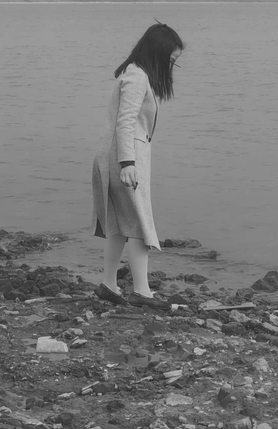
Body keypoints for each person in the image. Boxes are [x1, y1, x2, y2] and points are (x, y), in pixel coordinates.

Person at [91, 23, 184, 310]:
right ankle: (142, 292)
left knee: (120, 224)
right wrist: (127, 163)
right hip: (123, 158)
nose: (172, 66)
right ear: (158, 53)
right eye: (171, 60)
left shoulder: (136, 74)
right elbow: (125, 121)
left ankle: (109, 285)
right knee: (139, 223)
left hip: (119, 155)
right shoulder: (136, 77)